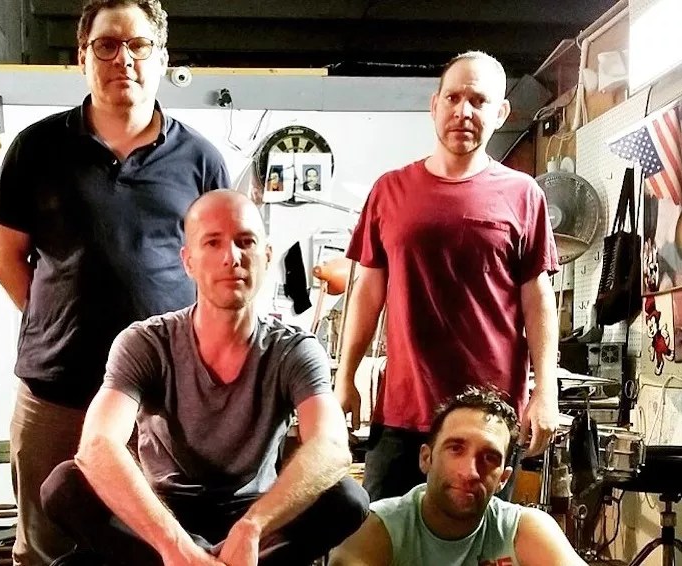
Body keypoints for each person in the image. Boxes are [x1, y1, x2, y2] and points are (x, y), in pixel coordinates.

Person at [0, 1, 230, 563]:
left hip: (160, 403)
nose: (124, 58)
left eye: (139, 44)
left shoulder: (201, 161)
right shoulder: (36, 148)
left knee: (151, 546)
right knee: (44, 548)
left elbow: (221, 274)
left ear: (162, 57)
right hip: (55, 393)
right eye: (107, 45)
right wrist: (55, 319)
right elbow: (6, 258)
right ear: (83, 57)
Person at [40, 190, 370, 566]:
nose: (232, 257)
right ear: (188, 261)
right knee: (64, 487)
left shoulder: (294, 349)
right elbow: (98, 445)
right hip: (162, 515)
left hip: (255, 520)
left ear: (266, 256)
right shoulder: (146, 342)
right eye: (213, 243)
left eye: (245, 242)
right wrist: (175, 546)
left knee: (347, 499)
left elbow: (331, 446)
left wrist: (253, 527)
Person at [334, 50, 560, 501]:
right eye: (453, 98)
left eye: (478, 101)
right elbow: (368, 291)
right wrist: (346, 375)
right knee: (384, 533)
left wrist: (546, 391)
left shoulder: (523, 195)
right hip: (403, 413)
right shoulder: (390, 190)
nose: (463, 111)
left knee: (481, 538)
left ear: (501, 113)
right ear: (434, 105)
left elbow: (538, 300)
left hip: (489, 420)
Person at [329, 387, 586, 566]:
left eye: (489, 457)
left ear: (504, 479)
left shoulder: (523, 529)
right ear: (426, 458)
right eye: (455, 449)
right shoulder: (377, 530)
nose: (470, 472)